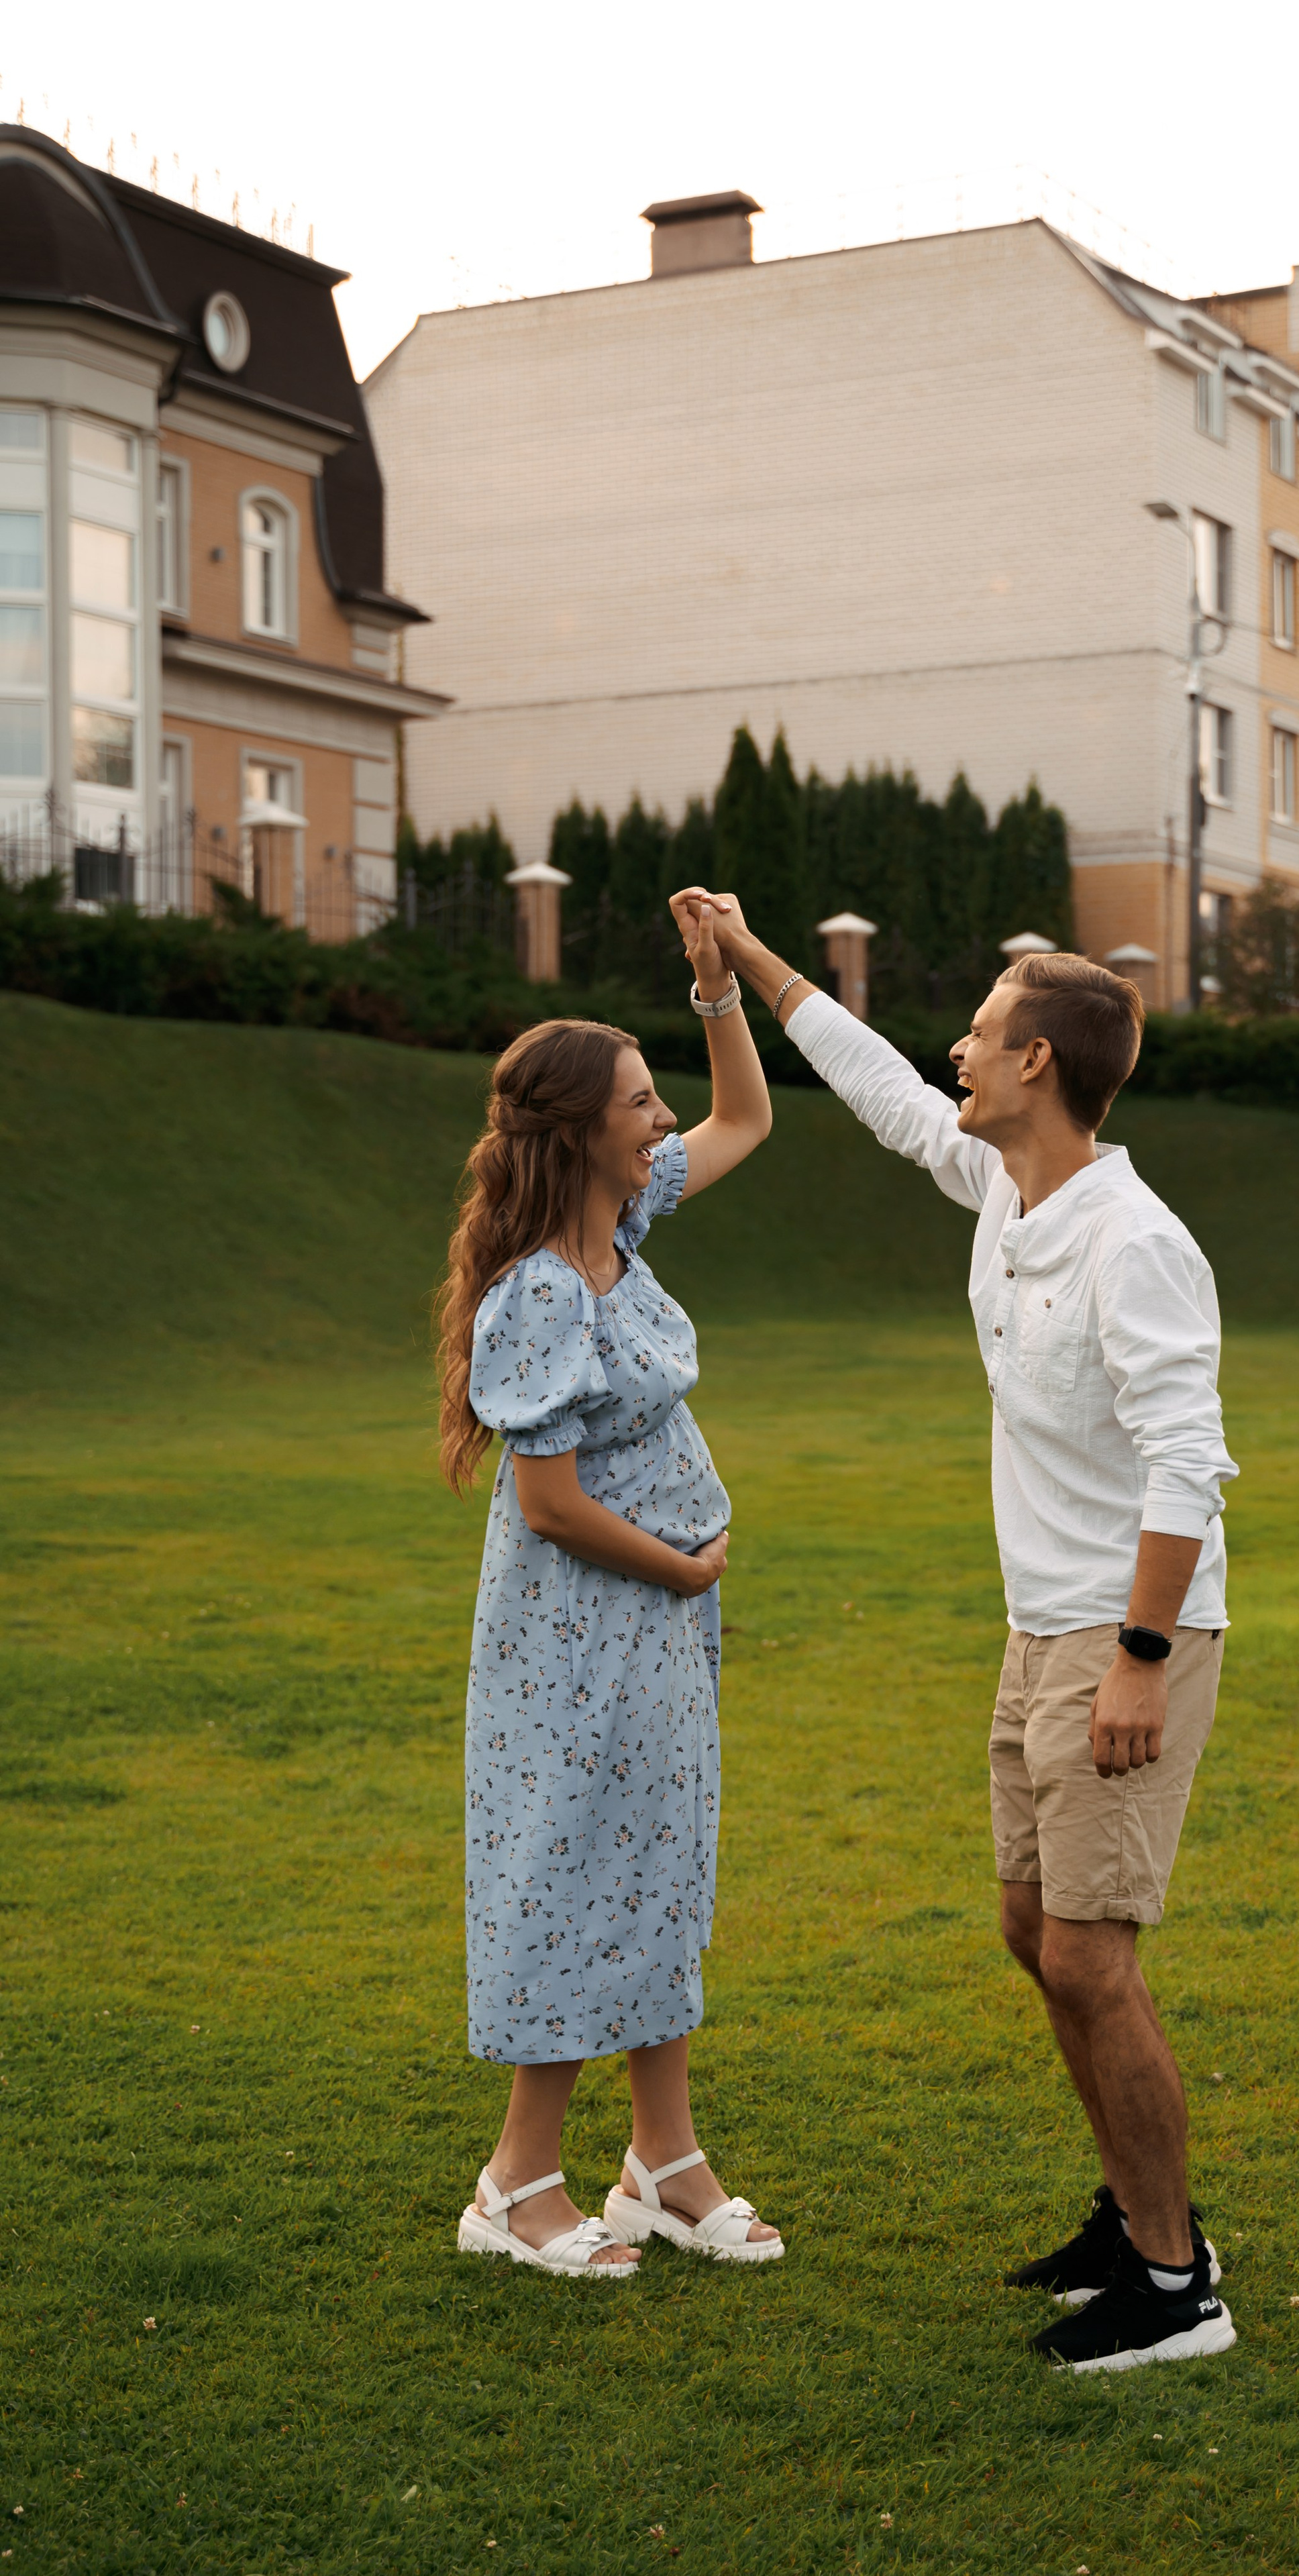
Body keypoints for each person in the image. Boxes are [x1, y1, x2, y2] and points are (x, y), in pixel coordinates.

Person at [683, 887, 1237, 2371]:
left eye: (982, 1034)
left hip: (1128, 1637)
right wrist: (746, 962)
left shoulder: (1133, 1243)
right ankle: (1133, 2219)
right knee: (1031, 1933)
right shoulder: (1006, 1190)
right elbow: (873, 1085)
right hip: (1038, 1628)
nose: (957, 1050)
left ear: (1041, 1065)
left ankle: (1178, 2288)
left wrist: (1136, 1655)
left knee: (1087, 1960)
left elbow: (1189, 1462)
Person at [436, 894, 784, 2279]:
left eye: (656, 1098)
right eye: (639, 1101)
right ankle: (513, 2182)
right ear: (577, 1128)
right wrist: (683, 1565)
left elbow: (747, 1119)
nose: (661, 1118)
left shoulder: (624, 1234)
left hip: (655, 1628)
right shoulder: (538, 1293)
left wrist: (716, 993)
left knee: (661, 1863)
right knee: (571, 1870)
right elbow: (551, 1502)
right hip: (578, 1632)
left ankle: (664, 2160)